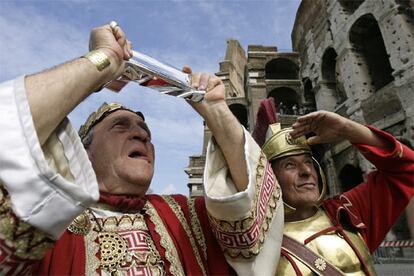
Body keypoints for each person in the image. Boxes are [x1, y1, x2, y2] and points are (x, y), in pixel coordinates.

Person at [0, 23, 284, 275]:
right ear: (84, 153)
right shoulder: (48, 222)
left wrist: (215, 111)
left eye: (146, 132)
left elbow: (253, 220)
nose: (140, 134)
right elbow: (9, 135)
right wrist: (102, 61)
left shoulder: (185, 217)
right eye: (120, 127)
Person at [254, 99, 414, 275]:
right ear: (270, 179)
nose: (306, 171)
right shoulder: (256, 243)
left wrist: (347, 129)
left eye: (308, 162)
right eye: (290, 165)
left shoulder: (346, 212)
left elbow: (406, 170)